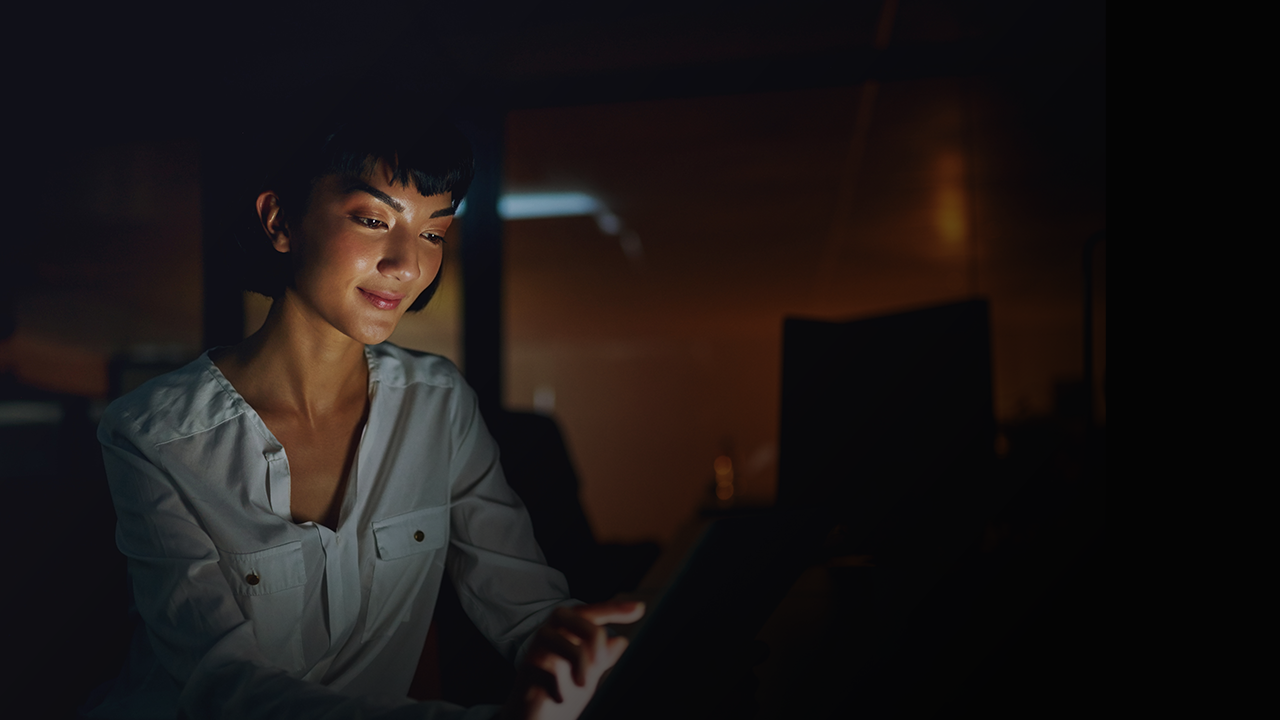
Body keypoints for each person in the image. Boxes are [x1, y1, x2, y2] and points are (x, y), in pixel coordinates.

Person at [84, 116, 641, 720]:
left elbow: (527, 607)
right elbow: (224, 687)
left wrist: (595, 660)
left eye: (434, 233)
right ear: (280, 221)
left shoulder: (438, 404)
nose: (407, 264)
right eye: (374, 220)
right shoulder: (152, 435)